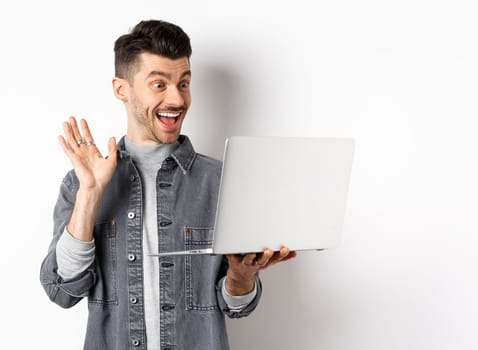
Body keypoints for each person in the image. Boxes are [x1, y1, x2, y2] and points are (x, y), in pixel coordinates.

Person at [39, 19, 295, 350]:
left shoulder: (222, 183)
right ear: (122, 89)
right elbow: (62, 291)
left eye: (184, 83)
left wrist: (242, 277)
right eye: (159, 85)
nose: (176, 99)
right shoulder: (80, 183)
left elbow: (238, 306)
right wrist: (90, 194)